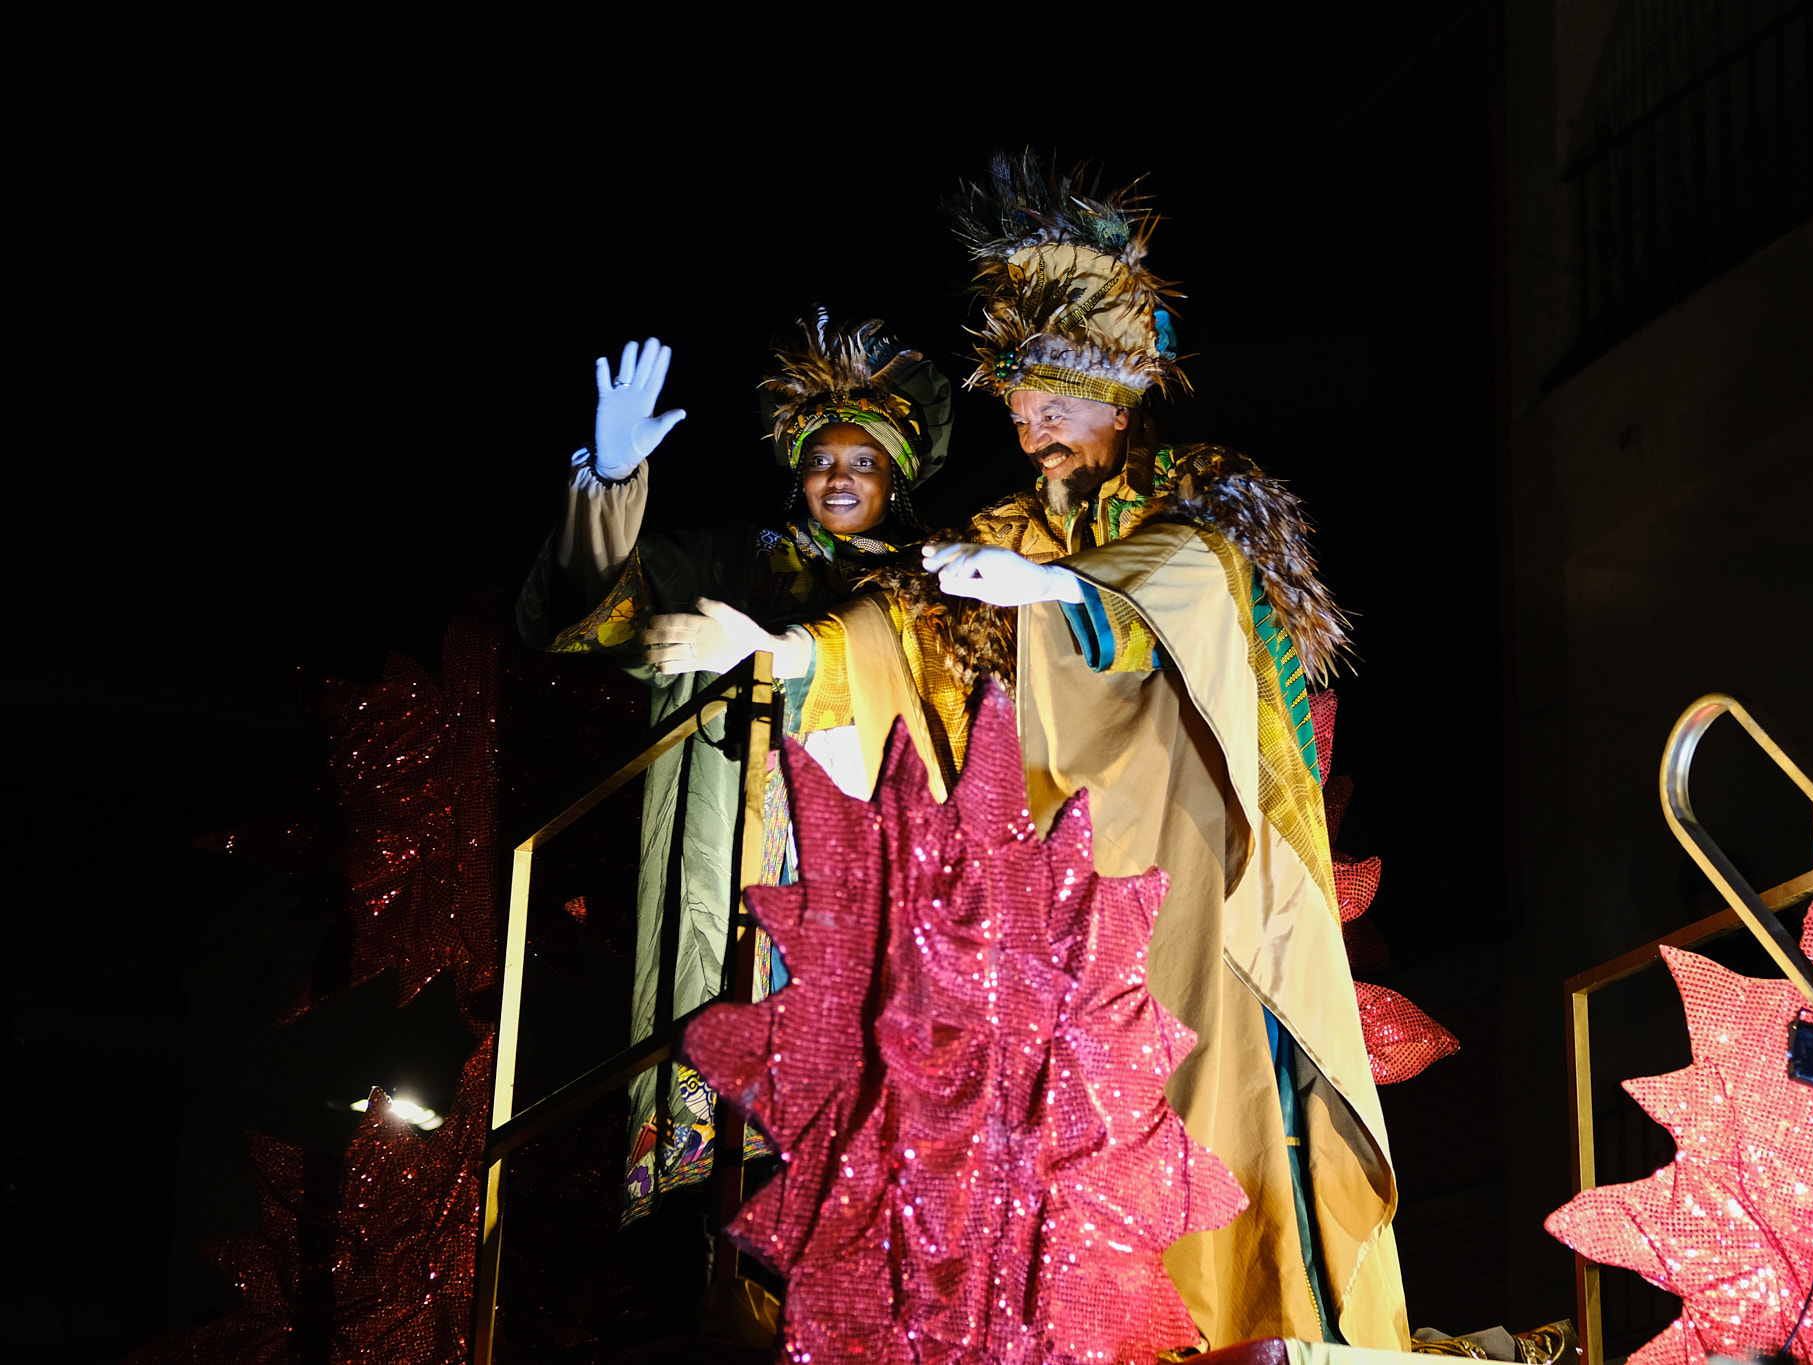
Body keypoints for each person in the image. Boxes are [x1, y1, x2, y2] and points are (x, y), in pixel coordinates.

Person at [663, 154, 1405, 1351]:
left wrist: (1062, 589)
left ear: (1116, 398)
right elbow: (905, 622)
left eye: (1052, 401)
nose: (1028, 424)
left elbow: (1201, 586)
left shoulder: (1198, 496)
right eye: (1019, 405)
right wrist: (793, 648)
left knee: (1207, 1079)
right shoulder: (1000, 530)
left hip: (1195, 865)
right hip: (1064, 884)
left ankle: (1245, 1320)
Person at [516, 313, 952, 1225]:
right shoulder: (729, 560)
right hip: (730, 869)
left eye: (864, 461)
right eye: (824, 458)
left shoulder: (933, 586)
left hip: (869, 889)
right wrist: (610, 480)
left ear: (898, 480)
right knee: (714, 1156)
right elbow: (598, 611)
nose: (840, 476)